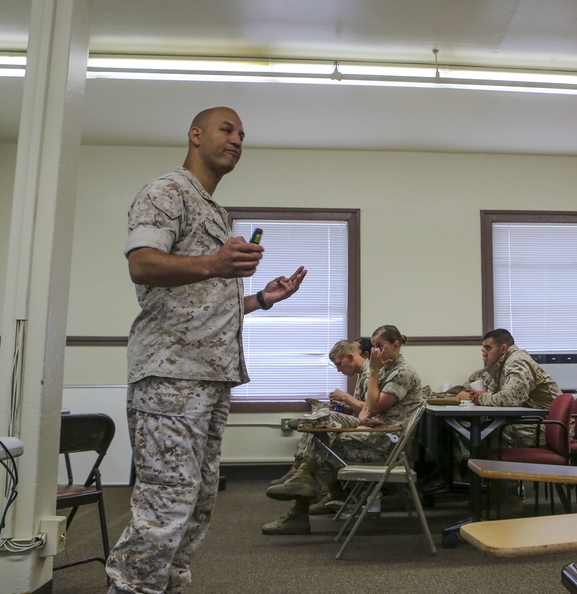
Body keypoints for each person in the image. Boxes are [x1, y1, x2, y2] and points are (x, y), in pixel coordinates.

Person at [108, 107, 307, 593]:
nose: (237, 139)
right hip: (172, 377)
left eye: (242, 133)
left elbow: (202, 301)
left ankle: (166, 587)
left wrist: (261, 300)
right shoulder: (166, 191)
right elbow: (143, 264)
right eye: (227, 128)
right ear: (195, 135)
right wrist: (214, 262)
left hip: (210, 376)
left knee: (196, 504)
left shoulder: (216, 212)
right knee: (166, 502)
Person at [262, 326, 424, 533]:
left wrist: (373, 375)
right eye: (373, 346)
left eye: (380, 346)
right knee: (324, 426)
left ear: (396, 346)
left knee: (323, 441)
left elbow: (373, 406)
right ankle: (301, 477)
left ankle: (300, 494)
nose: (374, 352)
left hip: (386, 441)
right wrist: (366, 412)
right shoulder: (386, 368)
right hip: (375, 431)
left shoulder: (402, 372)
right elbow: (369, 407)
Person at [260, 337, 371, 534]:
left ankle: (300, 482)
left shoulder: (371, 373)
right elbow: (364, 410)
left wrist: (345, 398)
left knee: (320, 436)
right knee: (320, 435)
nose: (338, 369)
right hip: (366, 432)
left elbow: (370, 411)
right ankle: (303, 476)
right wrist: (346, 405)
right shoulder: (364, 373)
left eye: (339, 364)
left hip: (375, 441)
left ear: (350, 356)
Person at [458, 328, 560, 446]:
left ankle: (488, 464)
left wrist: (481, 398)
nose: (484, 353)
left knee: (484, 432)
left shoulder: (517, 362)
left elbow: (510, 398)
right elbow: (492, 392)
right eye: (483, 349)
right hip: (533, 421)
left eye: (488, 348)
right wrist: (480, 395)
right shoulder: (500, 366)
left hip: (549, 425)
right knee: (476, 430)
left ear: (503, 349)